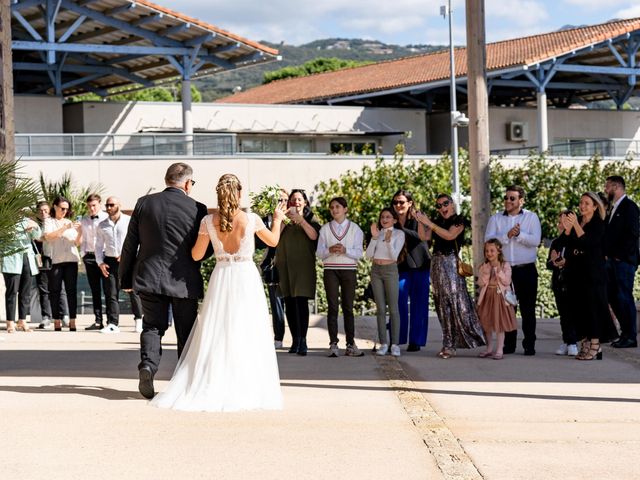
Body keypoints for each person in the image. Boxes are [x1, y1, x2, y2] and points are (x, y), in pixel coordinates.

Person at [151, 174, 284, 411]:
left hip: (221, 277)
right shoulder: (251, 219)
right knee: (247, 330)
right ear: (240, 193)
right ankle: (246, 384)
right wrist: (277, 219)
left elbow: (196, 255)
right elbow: (273, 241)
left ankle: (215, 380)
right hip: (245, 278)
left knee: (218, 331)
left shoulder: (207, 221)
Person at [120, 163, 210, 399]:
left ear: (166, 179)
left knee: (152, 325)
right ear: (188, 183)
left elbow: (130, 244)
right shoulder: (198, 208)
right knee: (186, 331)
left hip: (148, 276)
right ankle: (184, 382)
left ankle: (148, 366)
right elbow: (203, 249)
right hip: (184, 279)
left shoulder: (144, 203)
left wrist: (125, 278)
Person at [415, 194, 485, 358]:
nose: (442, 208)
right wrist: (419, 220)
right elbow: (424, 237)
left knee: (457, 303)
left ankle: (472, 336)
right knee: (442, 304)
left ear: (452, 204)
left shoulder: (458, 220)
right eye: (439, 206)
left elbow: (449, 235)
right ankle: (448, 343)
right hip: (437, 263)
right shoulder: (436, 222)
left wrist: (428, 223)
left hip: (451, 264)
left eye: (445, 203)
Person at [485, 185, 541, 355]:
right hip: (504, 270)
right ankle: (509, 345)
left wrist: (519, 235)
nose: (508, 201)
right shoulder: (495, 219)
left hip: (526, 269)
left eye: (512, 198)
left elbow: (536, 240)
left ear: (521, 201)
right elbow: (488, 241)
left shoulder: (531, 218)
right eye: (506, 197)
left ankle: (529, 344)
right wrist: (507, 236)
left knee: (528, 309)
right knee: (507, 309)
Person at [561, 192, 609, 360]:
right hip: (575, 273)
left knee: (592, 310)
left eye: (587, 203)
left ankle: (596, 344)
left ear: (595, 206)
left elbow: (588, 242)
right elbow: (565, 244)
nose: (582, 206)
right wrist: (567, 230)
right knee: (578, 310)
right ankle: (586, 342)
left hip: (593, 273)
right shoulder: (578, 223)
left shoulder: (599, 224)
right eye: (581, 203)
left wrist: (575, 226)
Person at [275, 189, 321, 356]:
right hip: (285, 266)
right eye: (293, 200)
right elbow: (274, 238)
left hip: (303, 267)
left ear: (305, 202)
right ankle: (294, 340)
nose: (296, 202)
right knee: (289, 303)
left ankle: (303, 340)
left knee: (300, 303)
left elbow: (314, 236)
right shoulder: (283, 220)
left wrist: (301, 220)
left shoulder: (311, 219)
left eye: (299, 199)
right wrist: (282, 220)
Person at [317, 197, 364, 357]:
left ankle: (350, 344)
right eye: (332, 207)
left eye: (338, 206)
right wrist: (329, 249)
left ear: (345, 209)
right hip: (330, 269)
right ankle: (333, 344)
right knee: (332, 307)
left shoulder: (355, 229)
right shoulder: (324, 229)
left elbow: (359, 253)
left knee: (348, 307)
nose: (334, 210)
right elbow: (319, 253)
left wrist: (346, 251)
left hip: (349, 269)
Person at [95, 196, 143, 334]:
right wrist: (100, 262)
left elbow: (139, 241)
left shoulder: (129, 221)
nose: (109, 208)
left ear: (119, 205)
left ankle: (139, 321)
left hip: (128, 260)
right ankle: (113, 324)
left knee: (133, 291)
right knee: (111, 293)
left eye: (111, 205)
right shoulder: (102, 225)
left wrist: (129, 255)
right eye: (107, 205)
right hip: (110, 261)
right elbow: (98, 246)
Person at [391, 189, 430, 352]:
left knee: (419, 304)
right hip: (400, 267)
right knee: (398, 301)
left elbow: (422, 237)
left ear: (410, 203)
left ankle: (416, 341)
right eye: (395, 202)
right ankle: (397, 339)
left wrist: (400, 229)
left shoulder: (418, 217)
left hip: (420, 265)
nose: (398, 205)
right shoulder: (389, 218)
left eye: (401, 202)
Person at [604, 175, 640, 348]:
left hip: (623, 261)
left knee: (624, 297)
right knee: (613, 297)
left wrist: (618, 255)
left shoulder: (630, 207)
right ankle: (625, 333)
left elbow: (632, 234)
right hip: (612, 261)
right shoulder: (613, 208)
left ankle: (631, 336)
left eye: (607, 187)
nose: (605, 190)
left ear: (616, 187)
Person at [366, 207, 405, 357]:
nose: (384, 219)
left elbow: (394, 256)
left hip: (390, 270)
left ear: (394, 220)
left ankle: (395, 344)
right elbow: (369, 255)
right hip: (376, 270)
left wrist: (388, 242)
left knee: (394, 308)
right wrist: (375, 238)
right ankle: (383, 343)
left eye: (388, 217)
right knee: (380, 309)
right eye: (382, 217)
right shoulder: (377, 233)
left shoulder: (399, 234)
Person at [255, 188, 288, 348]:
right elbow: (258, 243)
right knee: (276, 303)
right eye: (278, 200)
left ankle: (299, 338)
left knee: (294, 303)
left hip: (291, 266)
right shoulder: (263, 221)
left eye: (284, 200)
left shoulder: (294, 220)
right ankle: (278, 337)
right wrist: (275, 224)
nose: (281, 203)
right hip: (272, 266)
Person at [43, 196, 81, 332]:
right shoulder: (49, 221)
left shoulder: (69, 221)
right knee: (55, 291)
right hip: (57, 260)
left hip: (71, 260)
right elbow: (48, 237)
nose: (65, 211)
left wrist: (80, 231)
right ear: (55, 207)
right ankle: (57, 320)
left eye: (67, 209)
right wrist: (64, 228)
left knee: (71, 291)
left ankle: (72, 320)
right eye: (62, 208)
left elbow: (77, 243)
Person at [476, 239, 518, 360]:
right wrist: (484, 273)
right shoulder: (485, 266)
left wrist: (498, 270)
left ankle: (499, 349)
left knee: (499, 324)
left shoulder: (505, 265)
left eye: (492, 250)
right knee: (486, 323)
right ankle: (489, 348)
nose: (489, 253)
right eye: (487, 251)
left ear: (499, 251)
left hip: (500, 298)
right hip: (487, 297)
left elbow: (507, 281)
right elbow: (481, 283)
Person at [2, 216, 41, 333]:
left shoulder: (27, 220)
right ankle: (10, 322)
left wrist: (35, 226)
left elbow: (38, 236)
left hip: (27, 258)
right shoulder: (5, 218)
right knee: (12, 291)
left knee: (26, 292)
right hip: (11, 258)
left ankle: (22, 321)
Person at [547, 211, 578, 356]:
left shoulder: (577, 239)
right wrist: (555, 262)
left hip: (573, 282)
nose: (561, 224)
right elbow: (549, 263)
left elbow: (581, 261)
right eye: (560, 222)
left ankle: (573, 342)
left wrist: (567, 263)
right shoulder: (556, 242)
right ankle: (567, 341)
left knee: (573, 313)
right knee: (563, 313)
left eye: (565, 221)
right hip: (559, 282)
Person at [79, 194, 108, 331]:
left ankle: (111, 321)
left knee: (109, 290)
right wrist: (83, 254)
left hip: (105, 257)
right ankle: (98, 321)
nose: (91, 208)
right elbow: (84, 240)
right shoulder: (84, 220)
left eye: (94, 205)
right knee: (95, 290)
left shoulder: (107, 218)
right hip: (90, 257)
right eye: (89, 206)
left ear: (100, 204)